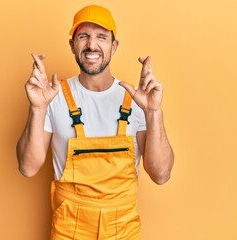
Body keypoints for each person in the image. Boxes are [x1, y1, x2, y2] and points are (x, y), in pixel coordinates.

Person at [16, 4, 174, 240]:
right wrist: (38, 108)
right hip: (69, 231)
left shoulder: (137, 100)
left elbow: (161, 174)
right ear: (72, 45)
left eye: (101, 36)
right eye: (83, 36)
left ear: (114, 45)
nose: (92, 45)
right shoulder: (53, 96)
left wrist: (154, 112)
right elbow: (28, 167)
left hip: (124, 231)